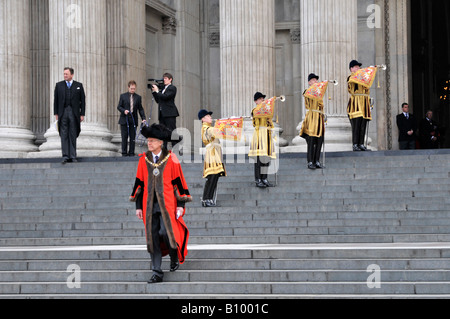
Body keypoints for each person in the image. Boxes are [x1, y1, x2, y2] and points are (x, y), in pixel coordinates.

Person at [130, 123, 192, 284]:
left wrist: (181, 205)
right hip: (149, 205)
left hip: (168, 205)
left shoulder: (171, 158)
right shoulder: (143, 160)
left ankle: (173, 255)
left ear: (160, 143)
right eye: (148, 140)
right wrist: (138, 207)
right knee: (153, 237)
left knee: (165, 233)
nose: (149, 143)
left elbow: (179, 183)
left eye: (152, 140)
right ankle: (156, 271)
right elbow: (139, 184)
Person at [54, 67, 86, 164]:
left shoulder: (78, 85)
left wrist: (82, 114)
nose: (65, 75)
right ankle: (65, 156)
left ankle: (73, 156)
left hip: (74, 113)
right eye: (64, 74)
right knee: (63, 134)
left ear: (72, 75)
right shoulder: (59, 85)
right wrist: (56, 113)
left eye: (66, 74)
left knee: (72, 134)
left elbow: (83, 101)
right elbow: (56, 100)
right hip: (63, 112)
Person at [199, 109, 227, 207]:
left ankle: (209, 198)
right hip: (211, 154)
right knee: (211, 177)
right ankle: (206, 198)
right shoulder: (206, 128)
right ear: (203, 119)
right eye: (208, 116)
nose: (210, 117)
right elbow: (216, 131)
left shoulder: (209, 127)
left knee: (214, 177)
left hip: (215, 153)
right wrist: (223, 124)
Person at [249, 92, 276, 188]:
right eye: (260, 99)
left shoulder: (266, 111)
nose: (263, 100)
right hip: (259, 134)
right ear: (256, 101)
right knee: (259, 159)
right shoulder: (255, 110)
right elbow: (257, 114)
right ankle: (258, 179)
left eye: (263, 99)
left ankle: (264, 178)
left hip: (267, 134)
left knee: (266, 158)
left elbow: (271, 123)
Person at [300, 73, 325, 169]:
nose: (316, 82)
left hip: (319, 117)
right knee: (311, 139)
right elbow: (307, 95)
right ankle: (310, 161)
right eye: (313, 80)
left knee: (319, 140)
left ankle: (317, 160)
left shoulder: (319, 93)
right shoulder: (308, 91)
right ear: (309, 82)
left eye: (316, 80)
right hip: (312, 117)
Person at [347, 60, 372, 152]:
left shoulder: (363, 78)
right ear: (351, 69)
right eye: (356, 67)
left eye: (359, 67)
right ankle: (355, 144)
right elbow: (352, 85)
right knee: (356, 125)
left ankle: (361, 143)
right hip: (355, 104)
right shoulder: (351, 77)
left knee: (363, 124)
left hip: (364, 103)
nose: (358, 68)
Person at [117, 81, 147, 157]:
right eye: (131, 88)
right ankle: (124, 153)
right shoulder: (123, 96)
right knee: (124, 136)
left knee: (132, 137)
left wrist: (143, 118)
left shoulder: (138, 97)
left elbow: (140, 109)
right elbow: (119, 106)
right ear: (128, 87)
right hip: (124, 119)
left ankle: (131, 153)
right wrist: (124, 111)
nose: (133, 90)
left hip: (133, 120)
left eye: (134, 88)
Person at [151, 73, 180, 149]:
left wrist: (157, 91)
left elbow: (166, 97)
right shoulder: (163, 89)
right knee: (163, 131)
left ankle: (175, 148)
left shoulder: (172, 88)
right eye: (164, 78)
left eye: (166, 78)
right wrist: (154, 92)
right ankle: (164, 147)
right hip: (162, 113)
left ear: (170, 79)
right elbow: (158, 100)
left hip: (170, 113)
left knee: (172, 130)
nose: (164, 80)